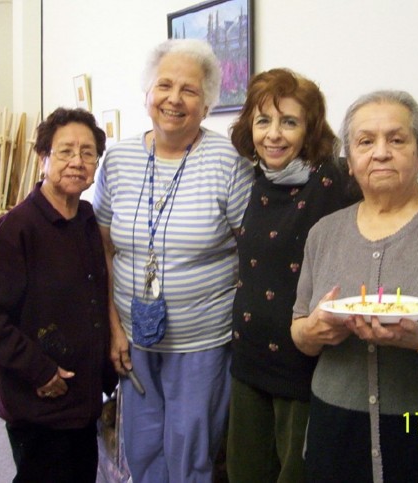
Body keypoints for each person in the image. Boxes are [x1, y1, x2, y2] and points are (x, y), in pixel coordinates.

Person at [290, 90, 418, 482]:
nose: (380, 152)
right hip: (334, 421)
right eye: (365, 142)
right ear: (350, 159)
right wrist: (314, 331)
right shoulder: (324, 232)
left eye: (397, 139)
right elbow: (299, 329)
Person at [92, 39, 254, 483]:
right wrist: (113, 326)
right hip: (133, 338)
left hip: (202, 341)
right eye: (164, 85)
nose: (174, 99)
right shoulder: (118, 159)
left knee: (191, 452)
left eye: (190, 90)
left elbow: (252, 252)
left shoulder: (229, 162)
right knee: (139, 450)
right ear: (147, 94)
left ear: (206, 106)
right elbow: (104, 249)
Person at [0, 107, 115, 482]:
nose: (77, 162)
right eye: (65, 151)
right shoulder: (17, 229)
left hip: (82, 398)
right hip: (41, 399)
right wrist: (39, 370)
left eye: (88, 152)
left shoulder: (88, 221)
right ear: (43, 158)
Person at [226, 68, 356, 482]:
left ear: (310, 129)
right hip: (247, 360)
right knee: (243, 473)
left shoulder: (333, 180)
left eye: (290, 122)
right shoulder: (254, 179)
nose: (274, 135)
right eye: (263, 121)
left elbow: (395, 200)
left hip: (301, 366)